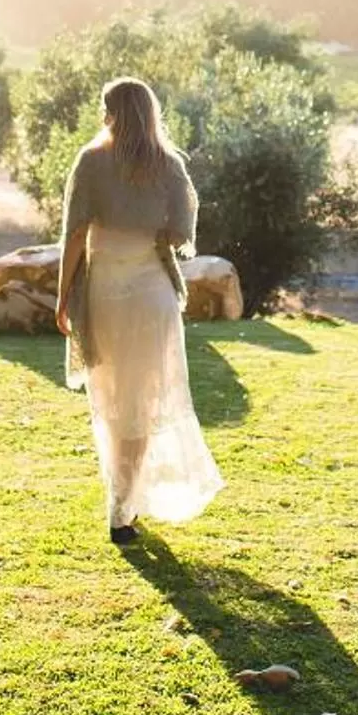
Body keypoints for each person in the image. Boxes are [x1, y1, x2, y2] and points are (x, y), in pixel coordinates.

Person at [53, 77, 224, 544]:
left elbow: (73, 236)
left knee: (111, 399)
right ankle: (125, 507)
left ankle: (120, 503)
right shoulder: (168, 165)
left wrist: (63, 295)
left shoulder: (90, 162)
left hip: (105, 289)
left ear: (109, 113)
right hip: (152, 293)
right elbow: (179, 232)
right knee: (143, 400)